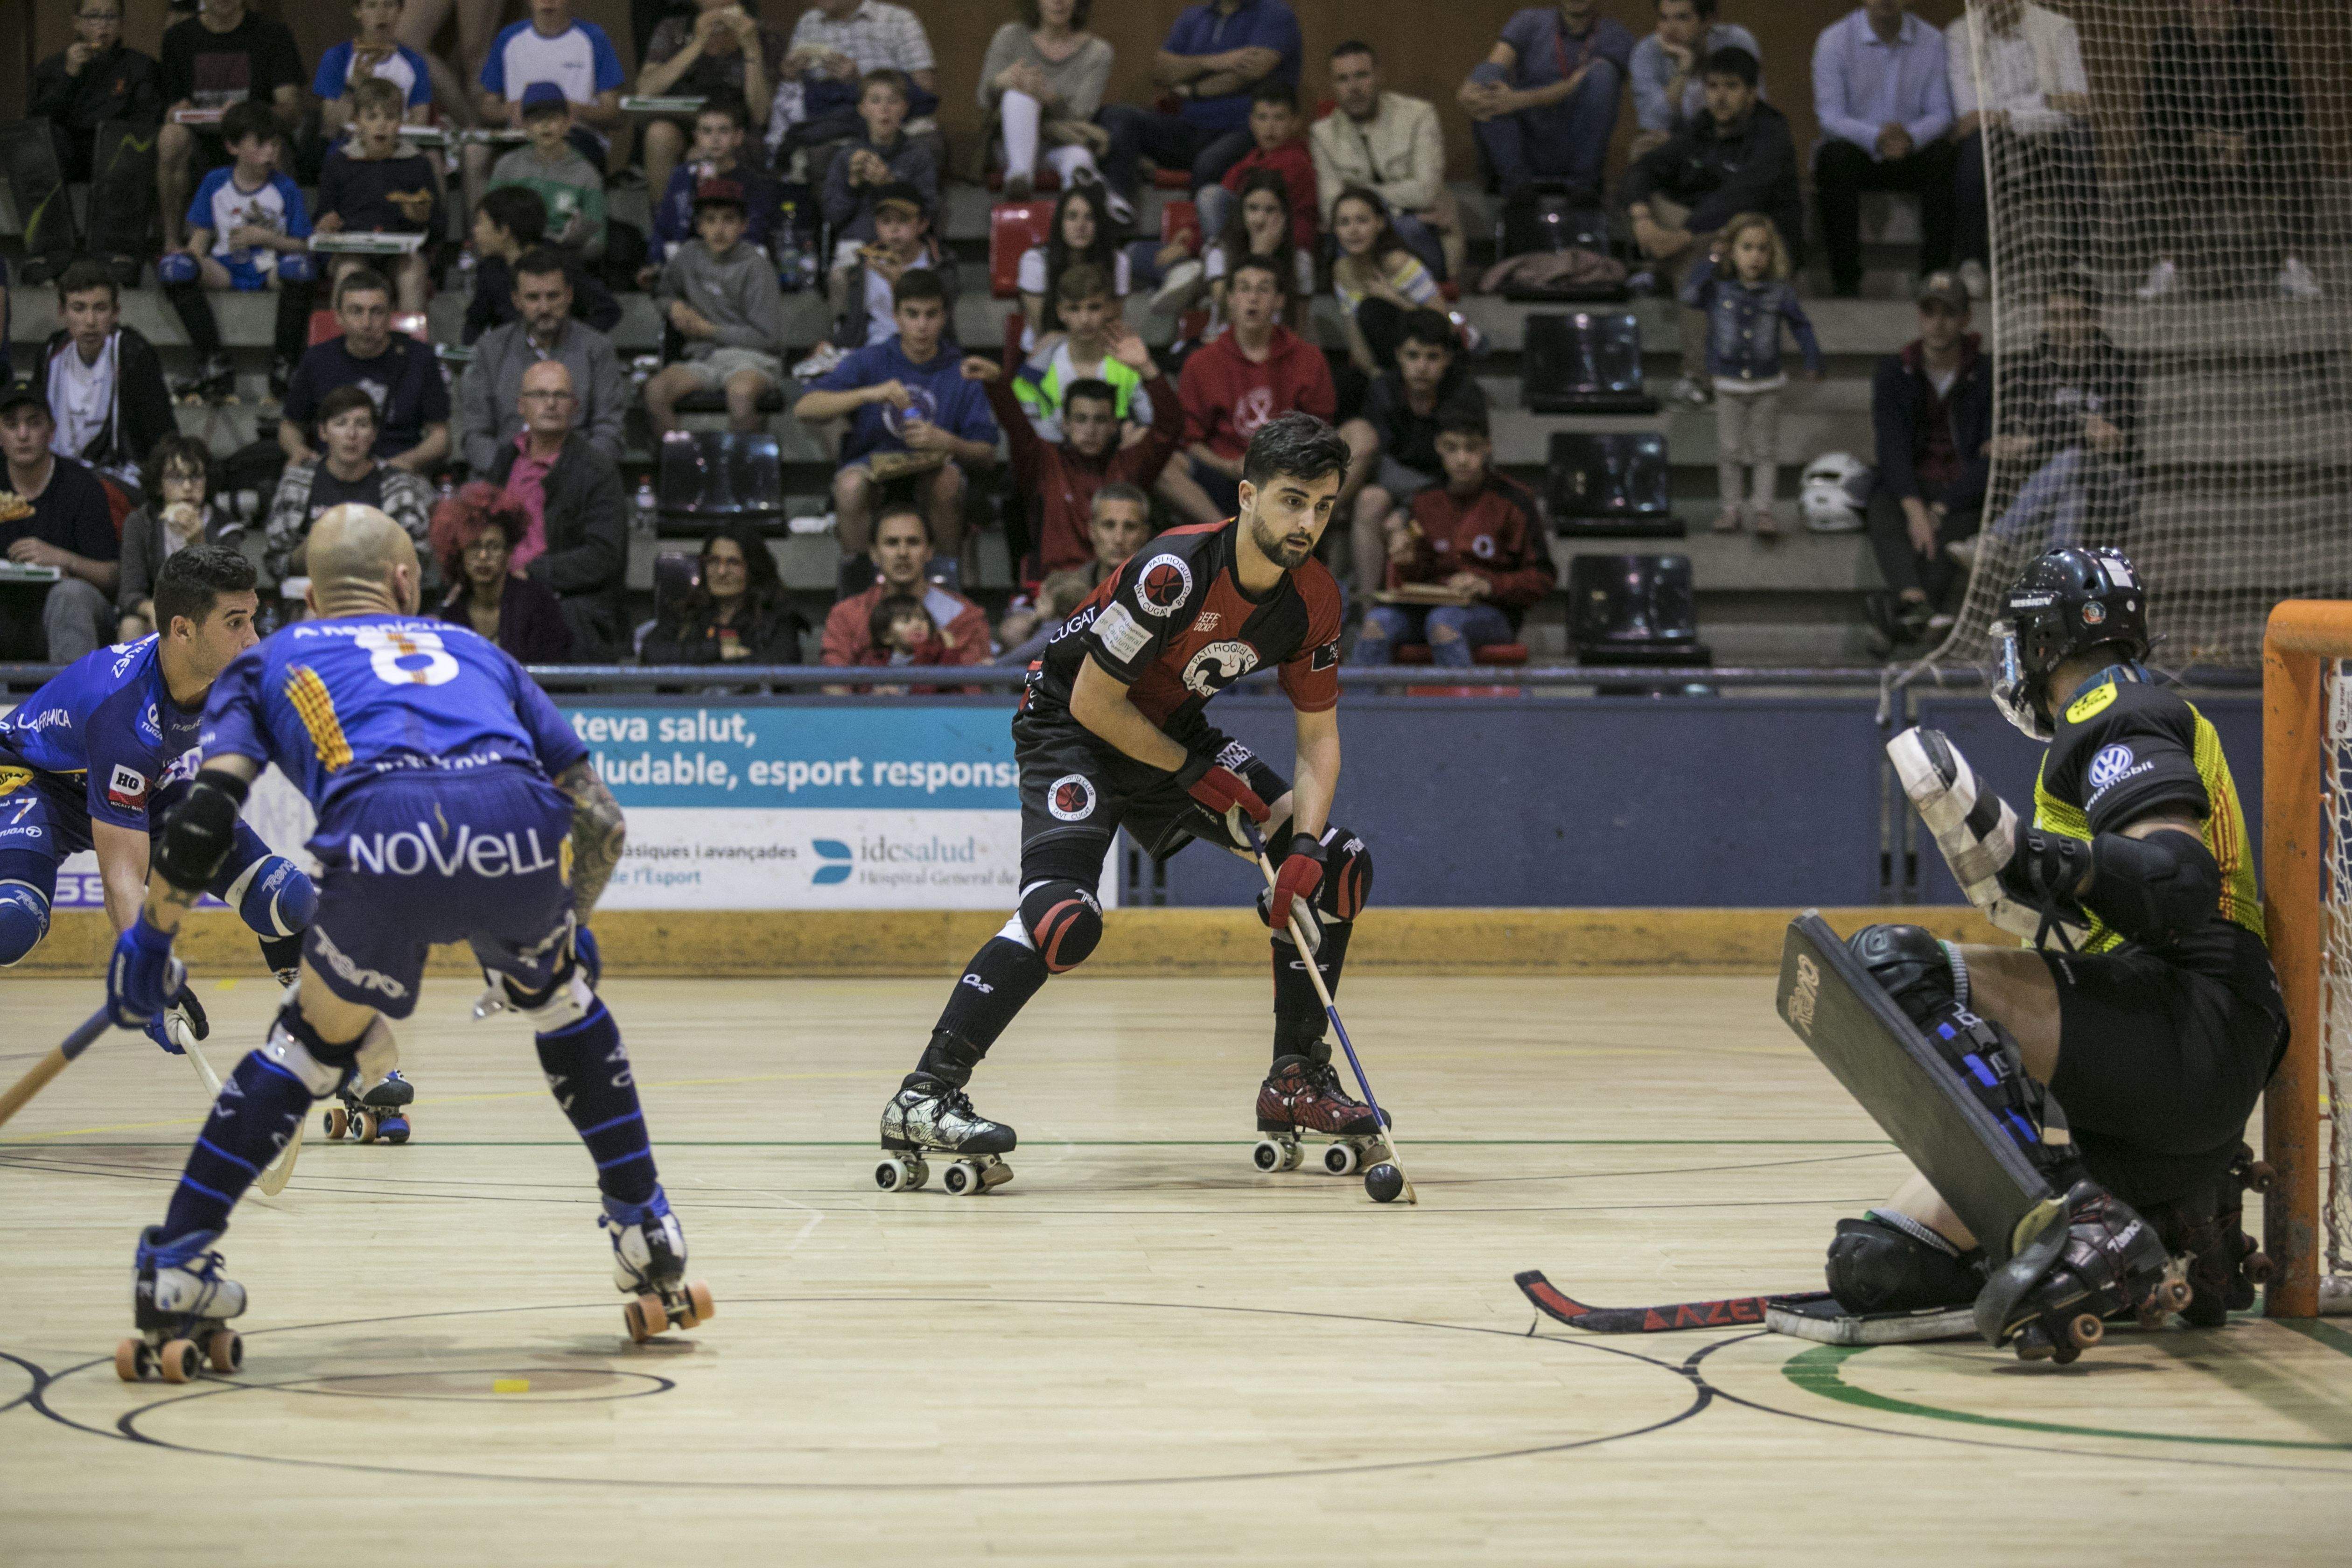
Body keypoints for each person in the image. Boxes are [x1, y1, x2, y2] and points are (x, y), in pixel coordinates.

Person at [103, 504, 705, 1380]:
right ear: (407, 582)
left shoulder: (271, 658)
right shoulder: (482, 651)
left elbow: (206, 816)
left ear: (309, 596)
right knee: (563, 1001)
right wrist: (568, 926)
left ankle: (179, 1267)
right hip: (515, 831)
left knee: (307, 1050)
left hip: (382, 837)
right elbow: (603, 822)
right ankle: (646, 1226)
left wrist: (152, 942)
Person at [870, 413, 1372, 1194]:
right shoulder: (1172, 571)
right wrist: (1196, 777)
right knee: (1064, 920)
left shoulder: (1314, 599)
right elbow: (1097, 705)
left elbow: (1320, 742)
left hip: (1170, 727)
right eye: (1292, 501)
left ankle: (1296, 1080)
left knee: (1339, 865)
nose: (1307, 523)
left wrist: (1299, 850)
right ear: (1247, 496)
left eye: (1324, 506)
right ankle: (924, 1096)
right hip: (1070, 723)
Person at [1834, 546, 2282, 1345]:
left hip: (2194, 1020)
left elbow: (2177, 882)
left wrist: (2031, 856)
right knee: (1878, 1263)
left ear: (2041, 645)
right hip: (2163, 1067)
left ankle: (2080, 1214)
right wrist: (2032, 882)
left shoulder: (2116, 708)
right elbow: (2115, 905)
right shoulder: (2119, 713)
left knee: (1894, 968)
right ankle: (2173, 1217)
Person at [1, 545, 313, 1003]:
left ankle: (322, 1029)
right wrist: (147, 981)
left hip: (138, 785)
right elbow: (123, 876)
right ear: (182, 631)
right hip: (30, 779)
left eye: (252, 619)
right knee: (13, 923)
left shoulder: (238, 675)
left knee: (288, 897)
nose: (253, 640)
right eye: (234, 623)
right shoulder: (122, 711)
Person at [1621, 44, 1799, 407]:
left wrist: (1683, 236)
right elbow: (1644, 170)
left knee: (1700, 253)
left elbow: (1743, 195)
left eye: (1731, 87)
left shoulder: (1772, 133)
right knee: (1647, 186)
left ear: (1752, 93)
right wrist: (1642, 220)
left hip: (1763, 238)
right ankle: (1662, 258)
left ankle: (1699, 377)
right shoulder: (1701, 128)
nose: (1720, 97)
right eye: (1713, 86)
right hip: (1703, 224)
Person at [796, 271, 999, 564]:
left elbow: (987, 455)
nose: (922, 326)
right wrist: (867, 394)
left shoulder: (961, 369)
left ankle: (945, 581)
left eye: (931, 315)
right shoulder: (871, 359)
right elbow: (804, 408)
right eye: (912, 314)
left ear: (945, 317)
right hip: (874, 466)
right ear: (896, 316)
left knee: (948, 482)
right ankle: (859, 584)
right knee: (850, 486)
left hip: (934, 470)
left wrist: (949, 442)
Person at [2138, 0, 2323, 303]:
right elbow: (2152, 111)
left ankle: (2294, 265)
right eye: (2198, 14)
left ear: (2235, 12)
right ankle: (2165, 265)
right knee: (2147, 150)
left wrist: (2247, 139)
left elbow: (2289, 110)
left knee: (2302, 143)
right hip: (2191, 157)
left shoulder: (2258, 39)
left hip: (2253, 156)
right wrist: (2195, 138)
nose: (2205, 23)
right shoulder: (2170, 40)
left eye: (2214, 13)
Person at [972, 329, 1180, 575]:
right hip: (1058, 588)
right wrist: (997, 382)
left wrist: (1148, 369)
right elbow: (1016, 425)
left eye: (1100, 420)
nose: (1090, 430)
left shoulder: (1130, 465)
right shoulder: (1043, 462)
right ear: (1065, 424)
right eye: (1081, 419)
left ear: (1115, 425)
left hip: (1118, 587)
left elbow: (1170, 427)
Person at [1353, 408, 1551, 666]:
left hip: (1494, 611)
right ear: (1439, 447)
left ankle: (1459, 707)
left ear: (1487, 448)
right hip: (1427, 609)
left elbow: (1543, 577)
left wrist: (1488, 584)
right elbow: (1416, 577)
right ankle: (1361, 708)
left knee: (1443, 623)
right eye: (1452, 448)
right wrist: (1406, 559)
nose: (1462, 459)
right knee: (1375, 624)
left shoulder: (1515, 501)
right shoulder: (1424, 500)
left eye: (1472, 449)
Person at [155, 98, 318, 404]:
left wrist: (267, 238)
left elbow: (302, 244)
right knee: (174, 268)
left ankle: (285, 363)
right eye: (260, 145)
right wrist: (189, 259)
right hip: (226, 267)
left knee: (301, 268)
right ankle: (213, 360)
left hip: (270, 268)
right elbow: (200, 239)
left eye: (274, 145)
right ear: (233, 147)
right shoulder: (216, 182)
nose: (270, 152)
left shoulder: (285, 187)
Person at [1863, 271, 1989, 652]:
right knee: (1884, 506)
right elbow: (1891, 448)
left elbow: (1991, 457)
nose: (1938, 323)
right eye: (1929, 312)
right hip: (1914, 484)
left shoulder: (1987, 375)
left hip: (1962, 490)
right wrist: (1916, 506)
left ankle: (1897, 615)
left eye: (1949, 313)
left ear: (1966, 318)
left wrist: (1941, 506)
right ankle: (1916, 606)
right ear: (1919, 316)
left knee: (1952, 532)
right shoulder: (1894, 371)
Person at [1095, 0, 1303, 221]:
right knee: (1117, 116)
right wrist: (1218, 62)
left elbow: (1251, 71)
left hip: (1245, 131)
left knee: (1209, 163)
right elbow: (1161, 71)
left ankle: (1200, 243)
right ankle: (1117, 211)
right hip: (1190, 127)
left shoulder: (1275, 14)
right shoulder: (1194, 17)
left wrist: (1194, 90)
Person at [1680, 213, 1821, 537]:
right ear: (1733, 250)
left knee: (1765, 450)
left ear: (1772, 255)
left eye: (1762, 249)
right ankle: (1730, 509)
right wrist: (1711, 260)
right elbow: (1689, 296)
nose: (1755, 256)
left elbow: (1800, 324)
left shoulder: (1779, 292)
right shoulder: (1718, 288)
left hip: (1767, 383)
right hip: (1728, 383)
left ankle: (1763, 509)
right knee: (1730, 450)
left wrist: (1813, 358)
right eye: (1747, 247)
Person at [1164, 255, 1334, 526]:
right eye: (1244, 289)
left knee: (1356, 438)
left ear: (1279, 300)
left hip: (1289, 477)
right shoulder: (1202, 362)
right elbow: (1190, 439)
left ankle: (1303, 528)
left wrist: (1283, 467)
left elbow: (1322, 432)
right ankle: (1226, 534)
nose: (1253, 298)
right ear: (1230, 299)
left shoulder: (1308, 357)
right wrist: (1228, 466)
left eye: (1264, 289)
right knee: (1166, 466)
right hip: (1224, 472)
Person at [1981, 273, 2138, 555]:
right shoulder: (2031, 368)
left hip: (2112, 484)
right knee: (2071, 494)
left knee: (2076, 458)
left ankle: (1999, 538)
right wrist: (2082, 429)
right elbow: (2015, 439)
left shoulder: (2117, 367)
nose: (2063, 328)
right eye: (2055, 317)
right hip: (2048, 482)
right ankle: (2054, 584)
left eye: (2073, 317)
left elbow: (2118, 443)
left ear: (2093, 319)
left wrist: (2037, 440)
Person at [1945, 0, 2092, 299]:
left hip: (2049, 137)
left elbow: (2079, 103)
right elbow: (1969, 114)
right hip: (1995, 137)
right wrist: (2045, 102)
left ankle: (2077, 260)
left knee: (2080, 139)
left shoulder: (2058, 27)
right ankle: (1973, 261)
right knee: (1976, 147)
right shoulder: (1961, 33)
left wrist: (2011, 115)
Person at [1811, 0, 1956, 298]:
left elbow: (1942, 113)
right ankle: (1846, 282)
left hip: (1913, 151)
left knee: (1945, 155)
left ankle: (1934, 281)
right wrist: (1878, 137)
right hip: (1860, 152)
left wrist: (1911, 138)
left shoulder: (1933, 40)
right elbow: (1830, 117)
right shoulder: (1834, 41)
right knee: (1832, 158)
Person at [1337, 308, 1486, 595]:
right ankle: (1371, 610)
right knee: (1370, 500)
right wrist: (1408, 508)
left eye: (1432, 357)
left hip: (1450, 495)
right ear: (1398, 356)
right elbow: (1378, 463)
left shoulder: (1466, 396)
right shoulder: (1384, 390)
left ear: (1447, 359)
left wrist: (1409, 511)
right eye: (1413, 356)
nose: (1422, 367)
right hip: (1399, 490)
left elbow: (1468, 468)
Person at [484, 360, 627, 658]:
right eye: (539, 395)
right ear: (521, 405)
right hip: (500, 594)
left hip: (563, 602)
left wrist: (531, 573)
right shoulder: (506, 460)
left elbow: (605, 556)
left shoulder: (597, 470)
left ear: (574, 407)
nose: (550, 404)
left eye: (560, 396)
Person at [644, 178, 792, 439]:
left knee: (741, 395)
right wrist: (674, 307)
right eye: (710, 220)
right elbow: (663, 294)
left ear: (743, 226)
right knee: (656, 391)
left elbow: (769, 339)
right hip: (703, 359)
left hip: (752, 360)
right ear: (699, 226)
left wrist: (710, 330)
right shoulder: (689, 255)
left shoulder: (756, 267)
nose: (719, 230)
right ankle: (679, 467)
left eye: (728, 220)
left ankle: (743, 474)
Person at [459, 246, 628, 472]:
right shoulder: (490, 350)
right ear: (516, 301)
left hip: (577, 478)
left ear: (569, 296)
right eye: (533, 298)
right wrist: (513, 475)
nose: (544, 308)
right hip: (506, 480)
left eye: (553, 296)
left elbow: (610, 432)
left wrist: (570, 475)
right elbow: (476, 433)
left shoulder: (597, 349)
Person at [156, 0, 305, 252]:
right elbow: (170, 106)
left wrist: (246, 114)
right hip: (200, 140)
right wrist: (175, 111)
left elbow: (291, 112)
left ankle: (279, 244)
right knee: (170, 137)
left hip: (255, 135)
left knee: (268, 141)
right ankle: (172, 242)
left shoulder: (272, 33)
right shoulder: (178, 37)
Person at [1461, 0, 1637, 208]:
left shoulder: (1617, 36)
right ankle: (1516, 184)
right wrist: (1467, 92)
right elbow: (1494, 65)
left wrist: (1516, 100)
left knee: (1604, 75)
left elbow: (1572, 86)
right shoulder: (1528, 21)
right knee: (1485, 76)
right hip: (1523, 147)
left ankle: (1582, 184)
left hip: (1578, 149)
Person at [1311, 41, 1461, 284]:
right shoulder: (1323, 134)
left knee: (1404, 229)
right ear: (1334, 86)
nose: (1354, 87)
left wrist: (1359, 194)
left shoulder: (1418, 116)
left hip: (1417, 234)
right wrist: (1387, 208)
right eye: (1343, 79)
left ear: (1379, 77)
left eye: (1362, 76)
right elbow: (1331, 208)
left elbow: (1425, 193)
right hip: (1360, 234)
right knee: (1350, 233)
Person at [279, 268, 450, 475]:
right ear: (339, 317)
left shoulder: (419, 359)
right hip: (333, 472)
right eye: (356, 311)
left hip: (397, 471)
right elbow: (291, 426)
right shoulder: (317, 359)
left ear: (390, 315)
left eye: (377, 312)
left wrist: (408, 461)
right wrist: (299, 451)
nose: (366, 323)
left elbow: (440, 436)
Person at [0, 381, 121, 663]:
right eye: (11, 424)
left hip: (71, 613)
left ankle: (74, 704)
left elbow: (114, 577)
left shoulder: (82, 486)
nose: (23, 435)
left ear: (52, 431)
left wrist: (63, 559)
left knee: (70, 596)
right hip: (7, 611)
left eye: (34, 423)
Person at [266, 384, 436, 584]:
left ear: (374, 434)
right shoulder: (297, 482)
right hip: (313, 596)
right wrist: (311, 550)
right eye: (341, 423)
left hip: (379, 596)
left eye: (362, 424)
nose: (351, 434)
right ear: (323, 432)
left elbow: (419, 562)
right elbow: (275, 563)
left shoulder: (400, 486)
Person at [38, 260, 176, 490]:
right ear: (62, 312)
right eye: (79, 308)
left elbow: (161, 433)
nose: (90, 322)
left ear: (116, 312)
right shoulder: (51, 353)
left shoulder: (133, 354)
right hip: (57, 475)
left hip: (116, 478)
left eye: (100, 308)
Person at [312, 77, 443, 312]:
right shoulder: (339, 162)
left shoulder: (417, 163)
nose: (381, 125)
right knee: (349, 272)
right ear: (357, 121)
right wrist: (326, 223)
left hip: (401, 253)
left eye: (391, 117)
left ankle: (409, 345)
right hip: (352, 252)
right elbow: (323, 214)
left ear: (401, 122)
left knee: (412, 272)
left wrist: (422, 218)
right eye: (372, 117)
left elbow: (438, 225)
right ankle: (340, 342)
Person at [637, 0, 784, 203]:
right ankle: (669, 226)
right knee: (659, 135)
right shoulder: (674, 30)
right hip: (686, 123)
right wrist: (697, 44)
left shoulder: (765, 33)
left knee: (704, 156)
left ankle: (719, 224)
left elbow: (761, 114)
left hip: (738, 130)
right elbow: (645, 92)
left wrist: (752, 47)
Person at [820, 505, 991, 667]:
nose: (903, 553)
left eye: (913, 542)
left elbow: (973, 692)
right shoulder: (846, 616)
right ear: (874, 553)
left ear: (930, 551)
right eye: (892, 543)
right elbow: (835, 687)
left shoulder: (964, 615)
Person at [994, 482, 1152, 658]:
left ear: (1145, 534)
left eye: (1130, 527)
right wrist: (1039, 618)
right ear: (1092, 531)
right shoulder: (1066, 586)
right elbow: (1013, 633)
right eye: (1109, 526)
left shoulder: (1160, 590)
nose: (1118, 538)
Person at [979, 0, 1114, 201]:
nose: (1058, 2)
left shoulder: (1098, 52)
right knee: (1019, 95)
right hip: (1011, 144)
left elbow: (1082, 114)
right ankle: (1020, 180)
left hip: (1060, 141)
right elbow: (983, 99)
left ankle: (1071, 221)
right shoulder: (1010, 36)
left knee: (1081, 159)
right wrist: (1001, 82)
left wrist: (1047, 97)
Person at [781, 0, 943, 166]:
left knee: (924, 149)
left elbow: (925, 87)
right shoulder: (809, 22)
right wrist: (790, 76)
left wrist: (860, 84)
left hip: (897, 121)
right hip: (835, 123)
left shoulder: (899, 19)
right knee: (818, 154)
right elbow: (795, 96)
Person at [1155, 168, 1312, 338]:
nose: (1260, 219)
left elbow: (1298, 331)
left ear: (1284, 216)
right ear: (1241, 213)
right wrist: (1261, 256)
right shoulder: (1219, 252)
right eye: (1253, 209)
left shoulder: (1301, 262)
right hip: (1225, 350)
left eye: (1270, 210)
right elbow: (1230, 317)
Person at [429, 480, 575, 663]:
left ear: (509, 551)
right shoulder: (452, 613)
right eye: (474, 547)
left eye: (494, 546)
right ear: (460, 552)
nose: (483, 556)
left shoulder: (538, 602)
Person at [116, 434, 242, 642]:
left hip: (208, 616)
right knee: (131, 625)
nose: (186, 487)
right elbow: (129, 593)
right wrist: (152, 610)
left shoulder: (225, 527)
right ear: (159, 484)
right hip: (155, 615)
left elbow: (227, 594)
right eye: (175, 477)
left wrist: (198, 543)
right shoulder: (140, 523)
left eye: (195, 477)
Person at [645, 92, 783, 277]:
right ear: (696, 137)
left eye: (723, 131)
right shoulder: (683, 177)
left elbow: (755, 234)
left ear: (738, 137)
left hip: (734, 268)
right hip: (687, 266)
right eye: (707, 131)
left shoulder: (753, 182)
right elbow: (664, 227)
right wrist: (656, 262)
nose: (715, 139)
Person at [464, 185, 623, 345]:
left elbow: (608, 310)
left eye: (480, 224)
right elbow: (476, 322)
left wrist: (570, 345)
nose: (475, 232)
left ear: (505, 231)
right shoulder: (491, 270)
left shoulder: (560, 263)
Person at [1013, 266, 1155, 441]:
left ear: (1109, 309)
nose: (1085, 320)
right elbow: (1023, 437)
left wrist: (1138, 438)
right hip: (1054, 463)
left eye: (1094, 308)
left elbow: (1156, 423)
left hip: (1118, 463)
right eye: (1074, 309)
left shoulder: (1129, 365)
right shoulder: (1035, 373)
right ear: (1061, 312)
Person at [31, 0, 163, 186]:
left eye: (111, 17)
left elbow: (148, 117)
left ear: (122, 24)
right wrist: (68, 75)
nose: (103, 24)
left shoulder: (141, 65)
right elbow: (39, 120)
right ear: (77, 23)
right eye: (93, 16)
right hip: (69, 152)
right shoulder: (54, 66)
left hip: (117, 150)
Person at [477, 0, 624, 166]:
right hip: (521, 136)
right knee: (475, 151)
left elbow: (613, 113)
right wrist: (511, 110)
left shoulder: (593, 38)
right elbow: (487, 108)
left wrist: (569, 110)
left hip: (576, 136)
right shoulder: (509, 37)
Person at [642, 523, 807, 665]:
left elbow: (780, 665)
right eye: (713, 561)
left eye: (733, 562)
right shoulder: (687, 612)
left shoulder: (777, 619)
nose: (721, 572)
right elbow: (651, 654)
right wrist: (718, 651)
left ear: (753, 568)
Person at [821, 69, 940, 262]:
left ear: (905, 108)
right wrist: (852, 186)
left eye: (892, 101)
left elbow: (929, 212)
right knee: (841, 277)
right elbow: (833, 217)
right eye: (875, 101)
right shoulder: (845, 157)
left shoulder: (919, 156)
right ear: (862, 109)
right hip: (857, 244)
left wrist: (891, 184)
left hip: (904, 245)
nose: (884, 109)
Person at [487, 82, 611, 262]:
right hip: (513, 260)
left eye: (553, 118)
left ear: (568, 123)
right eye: (537, 120)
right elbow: (488, 222)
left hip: (563, 262)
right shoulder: (507, 166)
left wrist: (564, 250)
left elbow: (598, 242)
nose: (545, 126)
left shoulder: (587, 174)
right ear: (526, 127)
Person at [1329, 187, 1443, 380]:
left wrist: (1394, 299)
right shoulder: (1341, 270)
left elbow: (1441, 322)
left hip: (1424, 361)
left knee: (1373, 308)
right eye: (1344, 223)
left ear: (1380, 223)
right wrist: (1376, 376)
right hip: (1384, 368)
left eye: (1362, 221)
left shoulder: (1398, 262)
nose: (1353, 230)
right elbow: (1354, 335)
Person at [829, 183, 957, 350]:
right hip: (873, 350)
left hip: (923, 352)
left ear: (922, 224)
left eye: (903, 220)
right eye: (886, 221)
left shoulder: (940, 264)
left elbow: (942, 326)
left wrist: (899, 283)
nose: (894, 229)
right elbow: (854, 324)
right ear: (876, 226)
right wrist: (832, 344)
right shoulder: (863, 264)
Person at [1628, 0, 1761, 160]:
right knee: (1643, 150)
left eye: (1682, 18)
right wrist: (1683, 68)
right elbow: (1654, 124)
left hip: (1729, 138)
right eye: (1664, 18)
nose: (1670, 29)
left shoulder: (1736, 41)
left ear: (1708, 21)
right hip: (1676, 142)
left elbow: (1753, 109)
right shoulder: (1647, 52)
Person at [1196, 79, 1316, 252]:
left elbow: (1304, 224)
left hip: (1276, 249)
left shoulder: (1299, 164)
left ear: (1295, 122)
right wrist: (1188, 240)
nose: (1270, 127)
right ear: (1252, 122)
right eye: (1262, 118)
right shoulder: (1249, 161)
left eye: (1279, 118)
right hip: (1239, 240)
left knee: (1210, 196)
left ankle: (1219, 267)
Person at [1018, 184, 1130, 346]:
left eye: (1090, 217)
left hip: (1098, 349)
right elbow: (1042, 329)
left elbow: (1112, 322)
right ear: (1060, 223)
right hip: (1046, 350)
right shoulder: (1036, 261)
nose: (1081, 225)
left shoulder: (1118, 261)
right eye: (1072, 217)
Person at [315, 0, 434, 135]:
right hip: (349, 146)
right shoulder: (337, 57)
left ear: (400, 11)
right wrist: (353, 86)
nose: (381, 14)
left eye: (389, 5)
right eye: (372, 6)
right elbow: (330, 129)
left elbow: (419, 124)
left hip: (400, 145)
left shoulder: (415, 62)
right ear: (358, 11)